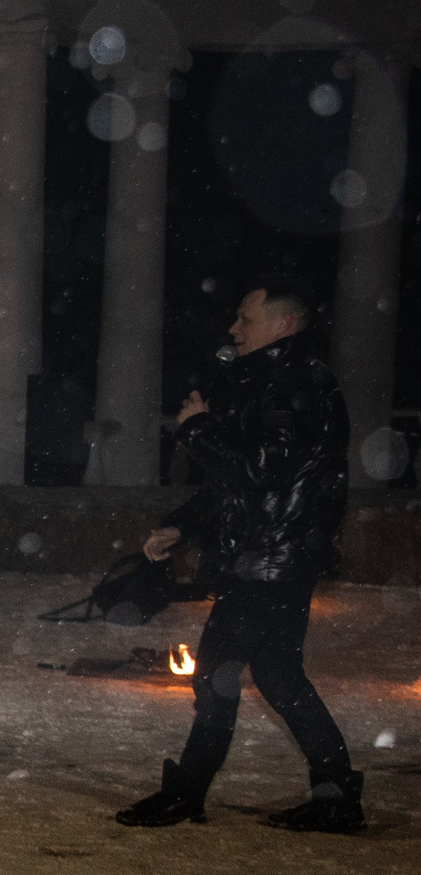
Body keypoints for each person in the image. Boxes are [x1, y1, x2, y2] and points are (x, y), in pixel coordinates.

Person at [117, 276, 362, 834]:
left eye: (246, 319)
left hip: (270, 560)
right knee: (278, 676)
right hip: (276, 555)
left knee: (217, 676)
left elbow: (259, 473)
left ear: (284, 324)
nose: (233, 328)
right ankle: (336, 796)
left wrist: (197, 430)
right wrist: (181, 524)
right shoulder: (277, 382)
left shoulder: (293, 384)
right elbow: (242, 483)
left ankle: (188, 793)